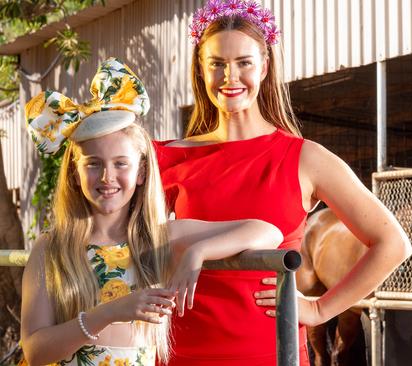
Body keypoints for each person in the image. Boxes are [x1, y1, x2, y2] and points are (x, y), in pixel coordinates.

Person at [153, 1, 412, 364]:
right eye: (217, 64)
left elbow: (393, 244)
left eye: (243, 62)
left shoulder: (306, 158)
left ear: (264, 66)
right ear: (201, 70)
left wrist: (321, 309)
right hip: (182, 348)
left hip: (270, 349)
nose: (230, 77)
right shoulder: (167, 157)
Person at [20, 58, 283, 366]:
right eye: (93, 164)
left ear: (142, 172)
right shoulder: (51, 249)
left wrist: (197, 252)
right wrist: (108, 313)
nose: (107, 177)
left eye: (121, 164)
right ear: (75, 175)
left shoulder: (159, 239)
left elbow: (268, 231)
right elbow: (35, 352)